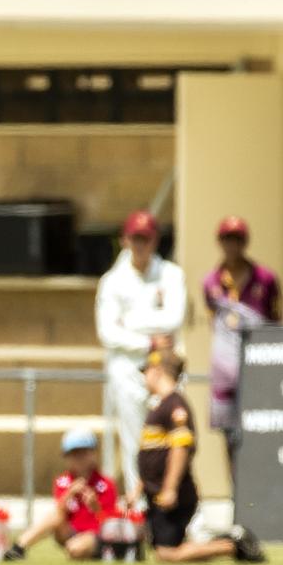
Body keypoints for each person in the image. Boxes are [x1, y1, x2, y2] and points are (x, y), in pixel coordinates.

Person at [125, 348, 265, 564]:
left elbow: (179, 449)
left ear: (157, 371)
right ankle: (222, 543)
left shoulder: (175, 406)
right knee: (163, 548)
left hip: (173, 493)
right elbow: (154, 458)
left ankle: (232, 546)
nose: (144, 378)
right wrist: (138, 489)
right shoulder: (160, 406)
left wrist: (170, 488)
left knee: (167, 554)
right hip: (156, 493)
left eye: (147, 371)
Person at [95, 210, 185, 499]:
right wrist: (148, 342)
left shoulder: (171, 274)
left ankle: (175, 501)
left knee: (173, 437)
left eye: (145, 239)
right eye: (135, 239)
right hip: (128, 369)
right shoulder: (112, 281)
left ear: (155, 241)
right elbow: (107, 332)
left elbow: (173, 319)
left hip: (165, 372)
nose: (140, 245)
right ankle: (141, 509)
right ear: (124, 240)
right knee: (134, 440)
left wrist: (129, 321)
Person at [202, 216, 282, 473]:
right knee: (229, 435)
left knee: (258, 429)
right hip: (225, 372)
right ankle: (236, 492)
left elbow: (275, 320)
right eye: (227, 239)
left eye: (237, 239)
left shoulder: (265, 279)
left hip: (257, 366)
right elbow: (212, 320)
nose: (232, 245)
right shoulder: (212, 282)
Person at [2, 428, 117, 561]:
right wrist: (69, 494)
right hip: (69, 532)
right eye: (73, 454)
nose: (79, 459)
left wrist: (95, 505)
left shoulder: (106, 484)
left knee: (76, 550)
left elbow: (109, 521)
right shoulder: (63, 482)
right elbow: (59, 513)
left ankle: (96, 553)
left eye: (83, 453)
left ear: (93, 454)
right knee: (55, 514)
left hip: (94, 534)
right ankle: (19, 547)